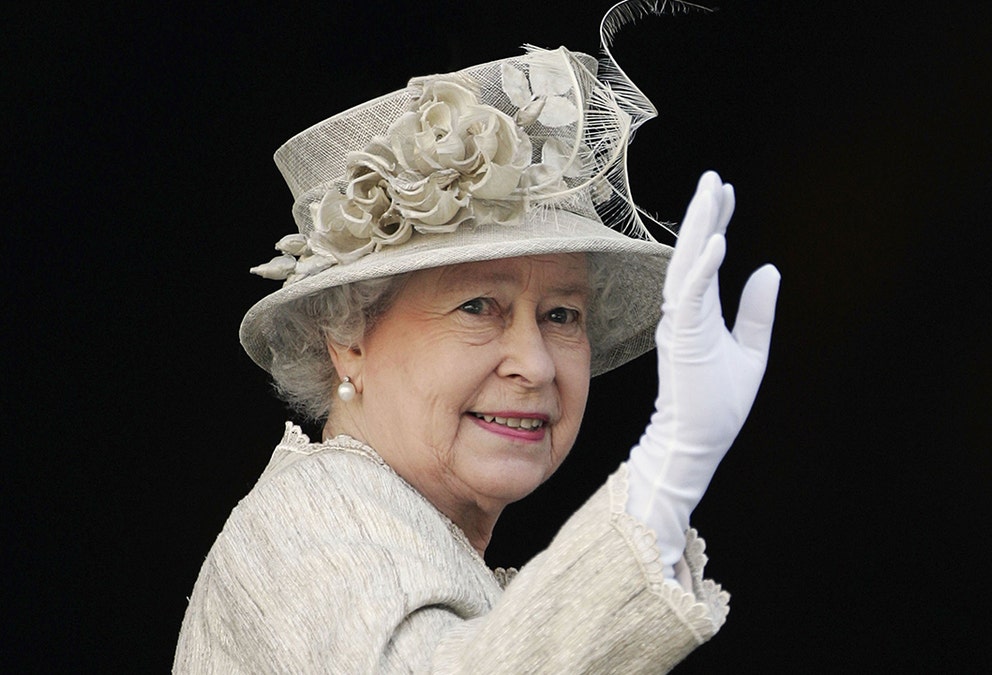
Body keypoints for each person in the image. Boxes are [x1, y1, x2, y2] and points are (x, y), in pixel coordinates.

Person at [173, 1, 780, 672]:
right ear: (347, 337)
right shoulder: (311, 526)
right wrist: (667, 474)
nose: (535, 364)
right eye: (477, 306)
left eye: (561, 315)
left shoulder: (411, 538)